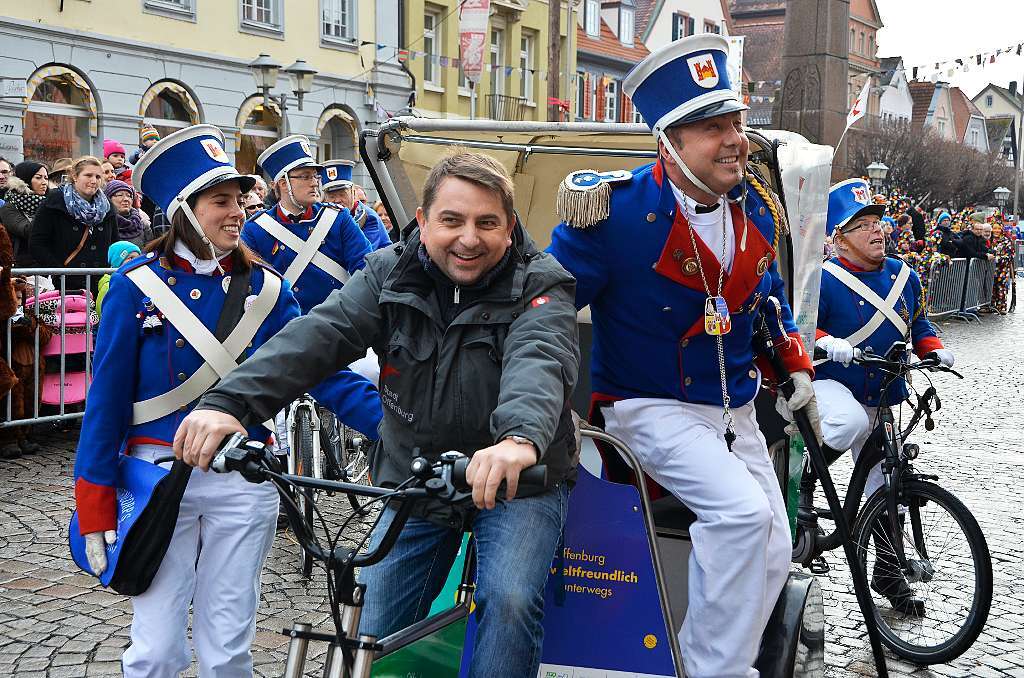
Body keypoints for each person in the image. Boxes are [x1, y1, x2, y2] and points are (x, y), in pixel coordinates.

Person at [173, 150, 580, 678]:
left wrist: (518, 441)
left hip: (518, 478)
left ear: (510, 228)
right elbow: (319, 336)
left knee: (510, 599)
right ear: (424, 221)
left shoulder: (541, 282)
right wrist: (230, 404)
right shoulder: (388, 272)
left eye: (487, 223)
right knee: (373, 621)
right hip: (417, 473)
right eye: (452, 220)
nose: (469, 238)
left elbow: (540, 361)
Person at [547, 34, 814, 678]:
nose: (735, 140)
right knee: (743, 516)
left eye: (737, 123)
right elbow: (547, 306)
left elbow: (764, 298)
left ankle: (722, 659)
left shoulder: (753, 205)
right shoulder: (613, 213)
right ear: (669, 140)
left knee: (776, 546)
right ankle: (709, 669)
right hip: (648, 407)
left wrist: (793, 366)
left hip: (733, 408)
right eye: (712, 128)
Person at [71, 124, 329, 677]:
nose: (237, 212)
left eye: (239, 199)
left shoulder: (268, 290)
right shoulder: (135, 287)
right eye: (220, 201)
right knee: (156, 649)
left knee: (227, 652)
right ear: (184, 210)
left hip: (245, 481)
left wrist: (393, 423)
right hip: (158, 480)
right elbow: (106, 403)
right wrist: (93, 500)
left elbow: (320, 369)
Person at [810, 177, 954, 617]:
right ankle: (803, 487)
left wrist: (934, 349)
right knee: (848, 421)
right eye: (863, 224)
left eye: (877, 221)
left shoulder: (904, 276)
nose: (878, 230)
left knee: (882, 487)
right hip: (835, 385)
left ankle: (889, 577)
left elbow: (920, 323)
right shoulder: (822, 280)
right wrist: (824, 340)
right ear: (839, 238)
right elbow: (796, 327)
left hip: (883, 394)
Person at [241, 135, 381, 437]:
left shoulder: (338, 220)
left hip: (339, 326)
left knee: (373, 373)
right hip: (285, 333)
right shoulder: (256, 230)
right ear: (282, 183)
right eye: (304, 176)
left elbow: (366, 268)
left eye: (315, 175)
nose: (314, 182)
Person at [30, 156, 117, 294]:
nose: (94, 181)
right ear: (75, 176)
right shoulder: (55, 202)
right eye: (88, 175)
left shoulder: (107, 206)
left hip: (101, 283)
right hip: (66, 284)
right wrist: (59, 271)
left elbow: (114, 243)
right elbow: (37, 242)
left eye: (98, 177)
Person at [318, 159, 392, 250]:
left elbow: (364, 255)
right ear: (324, 198)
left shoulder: (368, 217)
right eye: (331, 196)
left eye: (342, 194)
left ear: (353, 193)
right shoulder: (322, 215)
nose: (337, 200)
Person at [0, 161, 49, 267]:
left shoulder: (49, 201)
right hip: (24, 267)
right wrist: (46, 207)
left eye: (46, 178)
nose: (44, 182)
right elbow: (27, 230)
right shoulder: (9, 207)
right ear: (25, 179)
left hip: (49, 264)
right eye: (38, 177)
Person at [95, 241, 141, 317]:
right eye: (131, 258)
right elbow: (102, 310)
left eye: (138, 258)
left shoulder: (138, 280)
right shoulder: (108, 284)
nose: (135, 261)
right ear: (117, 262)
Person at [104, 179, 155, 248]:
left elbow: (151, 251)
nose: (126, 199)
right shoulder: (103, 225)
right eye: (120, 195)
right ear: (108, 199)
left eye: (129, 196)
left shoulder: (142, 223)